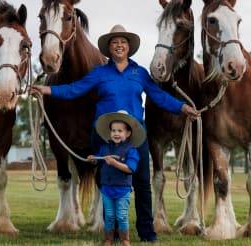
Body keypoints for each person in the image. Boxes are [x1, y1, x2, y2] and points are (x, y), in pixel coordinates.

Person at [32, 24, 198, 242]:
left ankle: (147, 232)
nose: (119, 46)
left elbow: (158, 95)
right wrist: (47, 90)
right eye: (114, 43)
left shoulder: (140, 73)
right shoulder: (100, 73)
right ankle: (113, 232)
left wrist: (182, 107)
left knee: (142, 185)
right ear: (109, 49)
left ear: (129, 47)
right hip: (105, 137)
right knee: (107, 186)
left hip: (135, 137)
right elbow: (75, 89)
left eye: (122, 42)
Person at [87, 110, 145, 246]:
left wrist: (114, 163)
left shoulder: (132, 150)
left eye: (120, 131)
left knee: (122, 216)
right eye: (113, 130)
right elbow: (98, 160)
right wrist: (93, 159)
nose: (116, 133)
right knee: (109, 216)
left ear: (128, 133)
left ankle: (125, 239)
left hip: (122, 190)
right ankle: (109, 239)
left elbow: (130, 169)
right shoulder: (105, 147)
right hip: (107, 188)